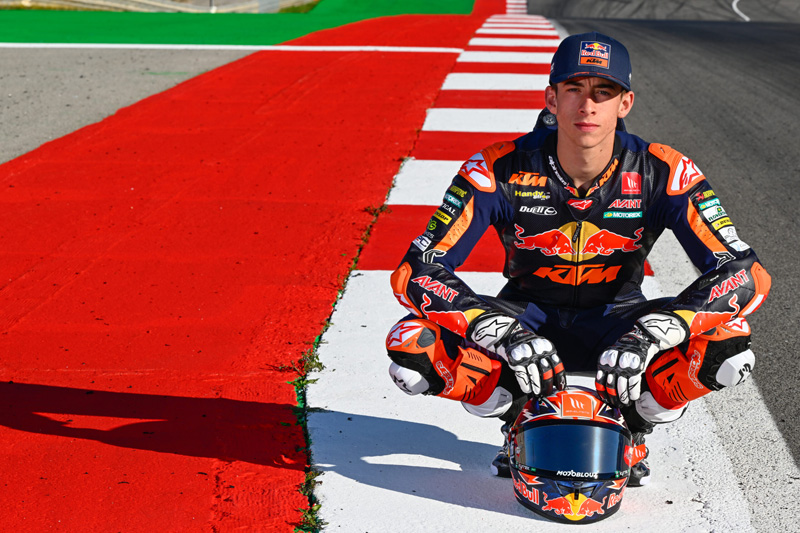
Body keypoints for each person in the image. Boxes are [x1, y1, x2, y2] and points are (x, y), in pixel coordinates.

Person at [384, 32, 771, 486]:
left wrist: (657, 331)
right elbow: (416, 269)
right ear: (552, 98)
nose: (588, 105)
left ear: (625, 103)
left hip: (620, 324)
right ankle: (515, 420)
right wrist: (498, 331)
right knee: (411, 346)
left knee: (729, 342)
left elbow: (746, 272)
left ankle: (635, 427)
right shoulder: (494, 168)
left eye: (603, 92)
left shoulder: (664, 170)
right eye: (574, 89)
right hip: (525, 320)